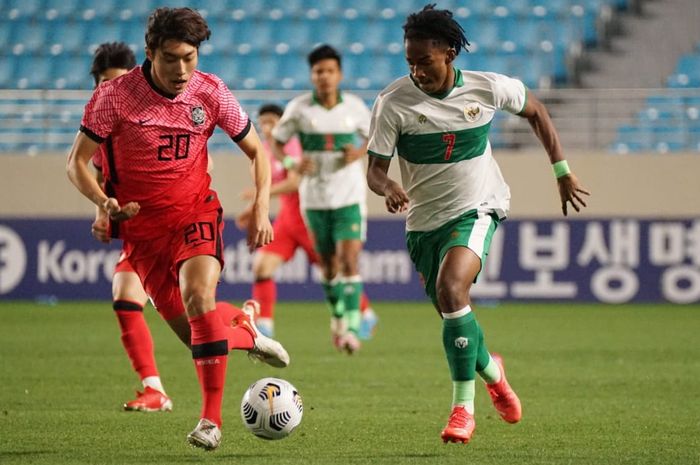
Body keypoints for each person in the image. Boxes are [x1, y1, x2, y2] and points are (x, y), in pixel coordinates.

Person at [366, 4, 590, 444]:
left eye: (424, 62)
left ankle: (461, 411)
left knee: (452, 290)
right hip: (423, 222)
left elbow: (537, 111)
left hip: (478, 206)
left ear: (448, 53)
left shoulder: (488, 88)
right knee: (455, 315)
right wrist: (388, 185)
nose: (416, 72)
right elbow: (373, 169)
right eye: (409, 63)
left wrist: (562, 170)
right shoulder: (393, 103)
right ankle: (495, 376)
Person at [66, 7, 289, 451]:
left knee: (199, 297)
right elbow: (75, 163)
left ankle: (210, 421)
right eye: (171, 58)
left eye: (190, 57)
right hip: (143, 235)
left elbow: (257, 153)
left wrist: (263, 206)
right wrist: (102, 202)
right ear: (149, 54)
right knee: (198, 334)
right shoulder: (114, 97)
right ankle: (244, 328)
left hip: (195, 214)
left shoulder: (210, 92)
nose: (183, 70)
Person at [236, 104, 378, 340]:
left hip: (308, 217)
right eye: (263, 123)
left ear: (283, 124)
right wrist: (252, 209)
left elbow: (294, 183)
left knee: (333, 269)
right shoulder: (266, 152)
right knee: (262, 266)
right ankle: (265, 325)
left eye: (272, 122)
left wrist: (262, 193)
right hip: (287, 220)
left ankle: (365, 312)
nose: (268, 127)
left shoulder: (293, 146)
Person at [88, 41, 175, 413]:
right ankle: (154, 389)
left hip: (172, 230)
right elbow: (96, 172)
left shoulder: (153, 120)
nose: (113, 90)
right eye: (105, 84)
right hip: (138, 236)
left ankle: (244, 325)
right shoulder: (99, 130)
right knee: (124, 297)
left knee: (195, 319)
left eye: (119, 82)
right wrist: (101, 212)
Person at [270, 45, 373, 353]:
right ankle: (338, 315)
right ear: (312, 76)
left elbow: (375, 136)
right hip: (314, 198)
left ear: (339, 74)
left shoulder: (354, 107)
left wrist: (360, 151)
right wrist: (291, 164)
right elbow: (276, 142)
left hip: (349, 196)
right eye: (318, 72)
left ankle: (353, 329)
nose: (324, 77)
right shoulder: (300, 109)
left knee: (350, 260)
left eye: (329, 71)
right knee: (328, 266)